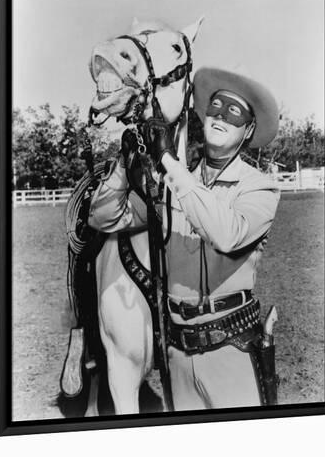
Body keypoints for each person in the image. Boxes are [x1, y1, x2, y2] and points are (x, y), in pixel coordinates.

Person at [88, 67, 280, 410]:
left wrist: (168, 162)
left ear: (249, 129)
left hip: (231, 348)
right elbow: (105, 218)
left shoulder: (260, 187)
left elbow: (227, 234)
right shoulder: (172, 188)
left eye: (234, 113)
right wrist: (122, 163)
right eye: (215, 108)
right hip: (178, 352)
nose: (220, 116)